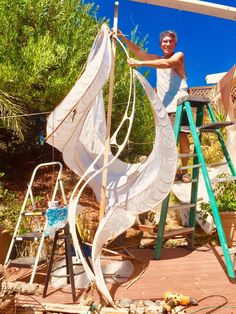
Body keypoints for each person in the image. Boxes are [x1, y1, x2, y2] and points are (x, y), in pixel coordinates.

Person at [118, 29, 191, 182]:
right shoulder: (157, 59)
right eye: (165, 41)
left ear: (175, 44)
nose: (168, 43)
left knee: (182, 137)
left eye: (170, 41)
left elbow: (168, 63)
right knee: (168, 140)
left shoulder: (179, 55)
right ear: (160, 44)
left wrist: (141, 63)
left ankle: (184, 171)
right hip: (165, 108)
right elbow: (139, 52)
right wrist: (123, 38)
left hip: (179, 105)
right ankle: (175, 170)